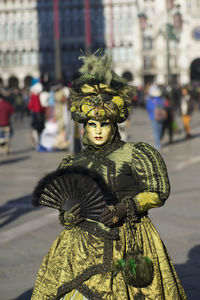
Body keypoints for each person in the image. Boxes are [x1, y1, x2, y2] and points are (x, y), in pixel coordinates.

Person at [31, 52, 187, 300]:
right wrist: (69, 216)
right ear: (85, 127)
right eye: (92, 125)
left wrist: (128, 206)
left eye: (104, 124)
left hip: (129, 239)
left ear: (114, 125)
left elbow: (158, 190)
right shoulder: (74, 162)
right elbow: (67, 207)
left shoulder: (135, 153)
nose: (98, 131)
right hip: (80, 247)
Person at [146, 85, 166, 150]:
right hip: (161, 116)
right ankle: (159, 140)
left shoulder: (150, 101)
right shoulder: (162, 100)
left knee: (156, 131)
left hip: (153, 117)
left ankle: (158, 144)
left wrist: (151, 114)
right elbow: (164, 107)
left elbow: (148, 109)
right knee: (160, 130)